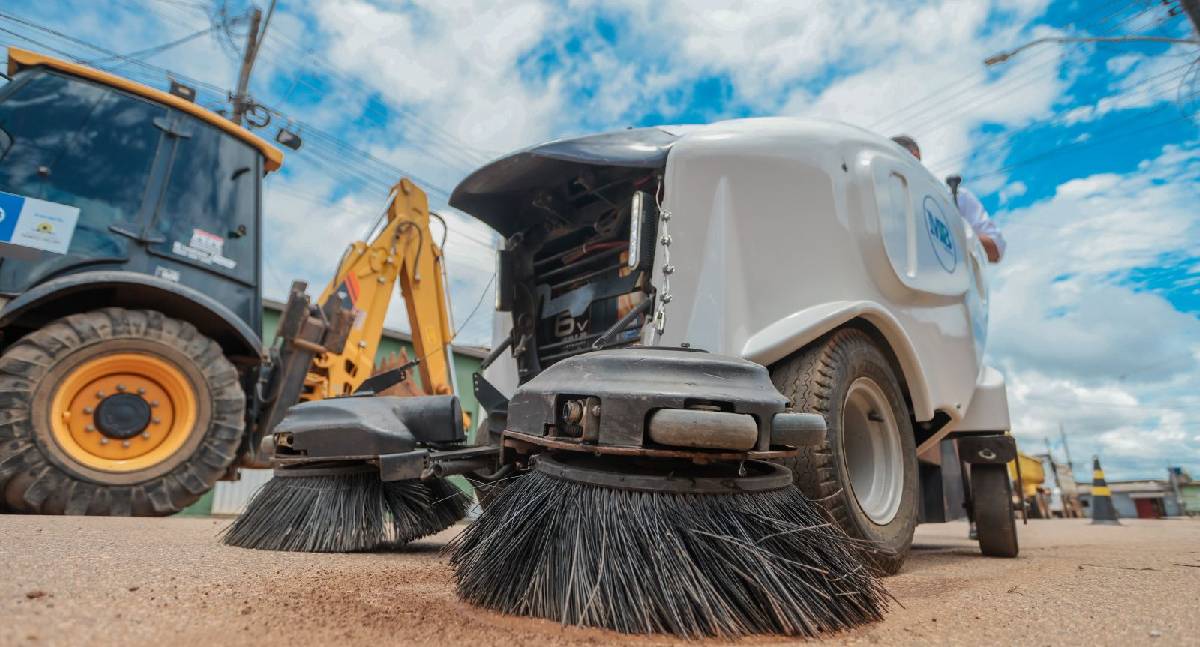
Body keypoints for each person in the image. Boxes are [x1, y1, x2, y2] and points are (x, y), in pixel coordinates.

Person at [891, 135, 1005, 263]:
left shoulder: (956, 198)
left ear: (914, 155)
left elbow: (996, 250)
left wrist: (953, 233)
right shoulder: (887, 206)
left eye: (895, 156)